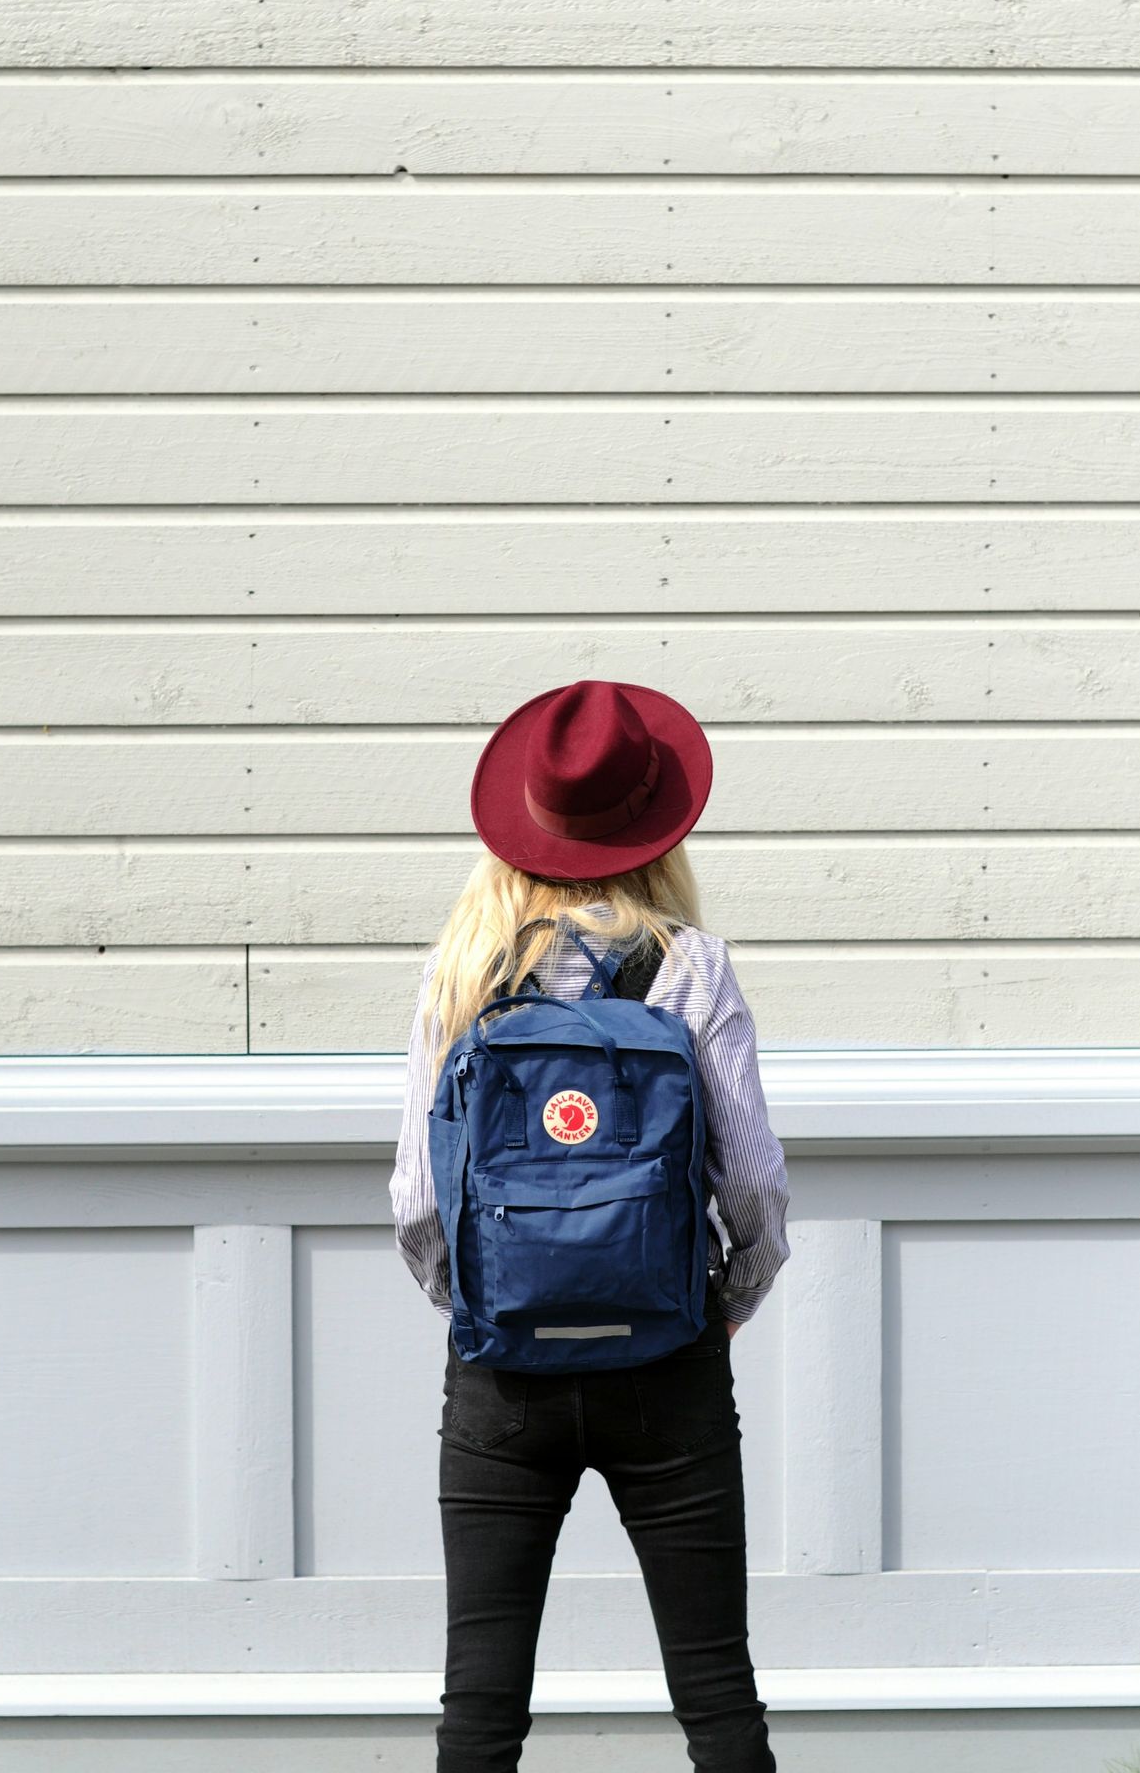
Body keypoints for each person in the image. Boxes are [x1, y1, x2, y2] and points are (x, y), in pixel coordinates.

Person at [389, 678, 790, 1773]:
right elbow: (752, 1191)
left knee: (480, 1705)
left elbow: (418, 1204)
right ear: (656, 826)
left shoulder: (464, 972)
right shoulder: (689, 969)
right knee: (715, 1693)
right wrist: (715, 1306)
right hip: (666, 1365)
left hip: (500, 1380)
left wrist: (485, 1301)